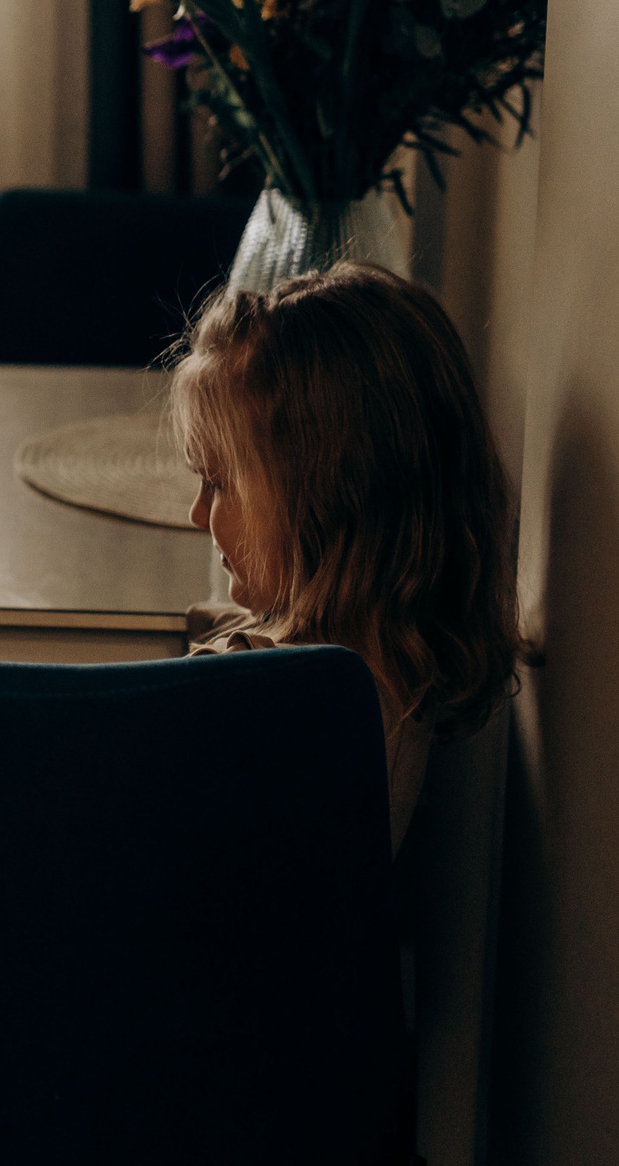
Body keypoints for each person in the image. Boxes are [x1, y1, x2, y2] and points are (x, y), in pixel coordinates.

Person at [174, 262, 523, 850]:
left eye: (220, 483)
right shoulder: (388, 669)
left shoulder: (258, 694)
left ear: (329, 499)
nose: (196, 513)